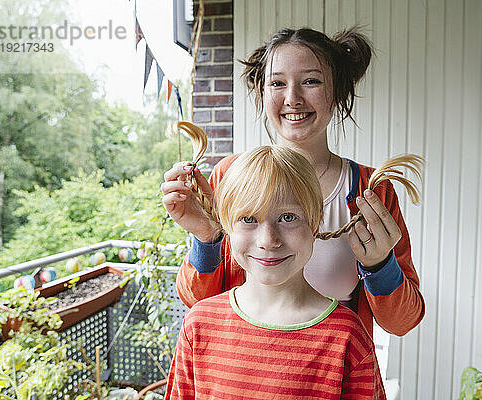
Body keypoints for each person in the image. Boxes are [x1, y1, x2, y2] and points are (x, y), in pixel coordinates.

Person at [161, 27, 424, 336]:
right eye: (277, 83)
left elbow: (403, 321)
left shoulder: (372, 189)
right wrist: (207, 238)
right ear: (262, 92)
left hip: (330, 374)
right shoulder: (229, 177)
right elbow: (198, 302)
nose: (292, 98)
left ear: (337, 91)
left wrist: (380, 265)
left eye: (310, 81)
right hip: (242, 371)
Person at [164, 146, 385, 399]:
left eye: (288, 217)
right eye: (248, 219)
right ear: (226, 226)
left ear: (314, 223)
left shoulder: (348, 337)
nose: (268, 240)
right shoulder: (198, 325)